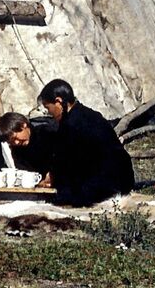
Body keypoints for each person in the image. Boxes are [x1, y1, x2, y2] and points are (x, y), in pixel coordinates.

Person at [36, 78, 133, 206]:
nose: (49, 113)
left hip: (109, 182)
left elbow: (69, 161)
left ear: (58, 102)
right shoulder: (85, 114)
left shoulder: (74, 124)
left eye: (48, 108)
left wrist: (54, 178)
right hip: (122, 178)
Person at [0, 111, 59, 176]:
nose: (16, 142)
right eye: (11, 142)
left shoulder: (46, 134)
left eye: (15, 137)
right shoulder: (17, 150)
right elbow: (23, 171)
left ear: (23, 125)